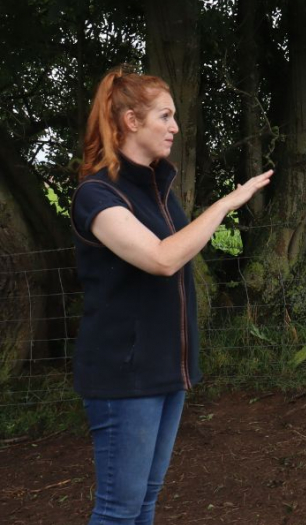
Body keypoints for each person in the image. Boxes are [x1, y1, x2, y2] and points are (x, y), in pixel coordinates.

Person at [71, 65, 273, 525]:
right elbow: (162, 259)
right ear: (131, 121)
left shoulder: (160, 190)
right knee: (118, 510)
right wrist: (224, 204)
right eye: (165, 116)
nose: (175, 127)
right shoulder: (97, 195)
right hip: (124, 376)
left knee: (145, 500)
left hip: (166, 369)